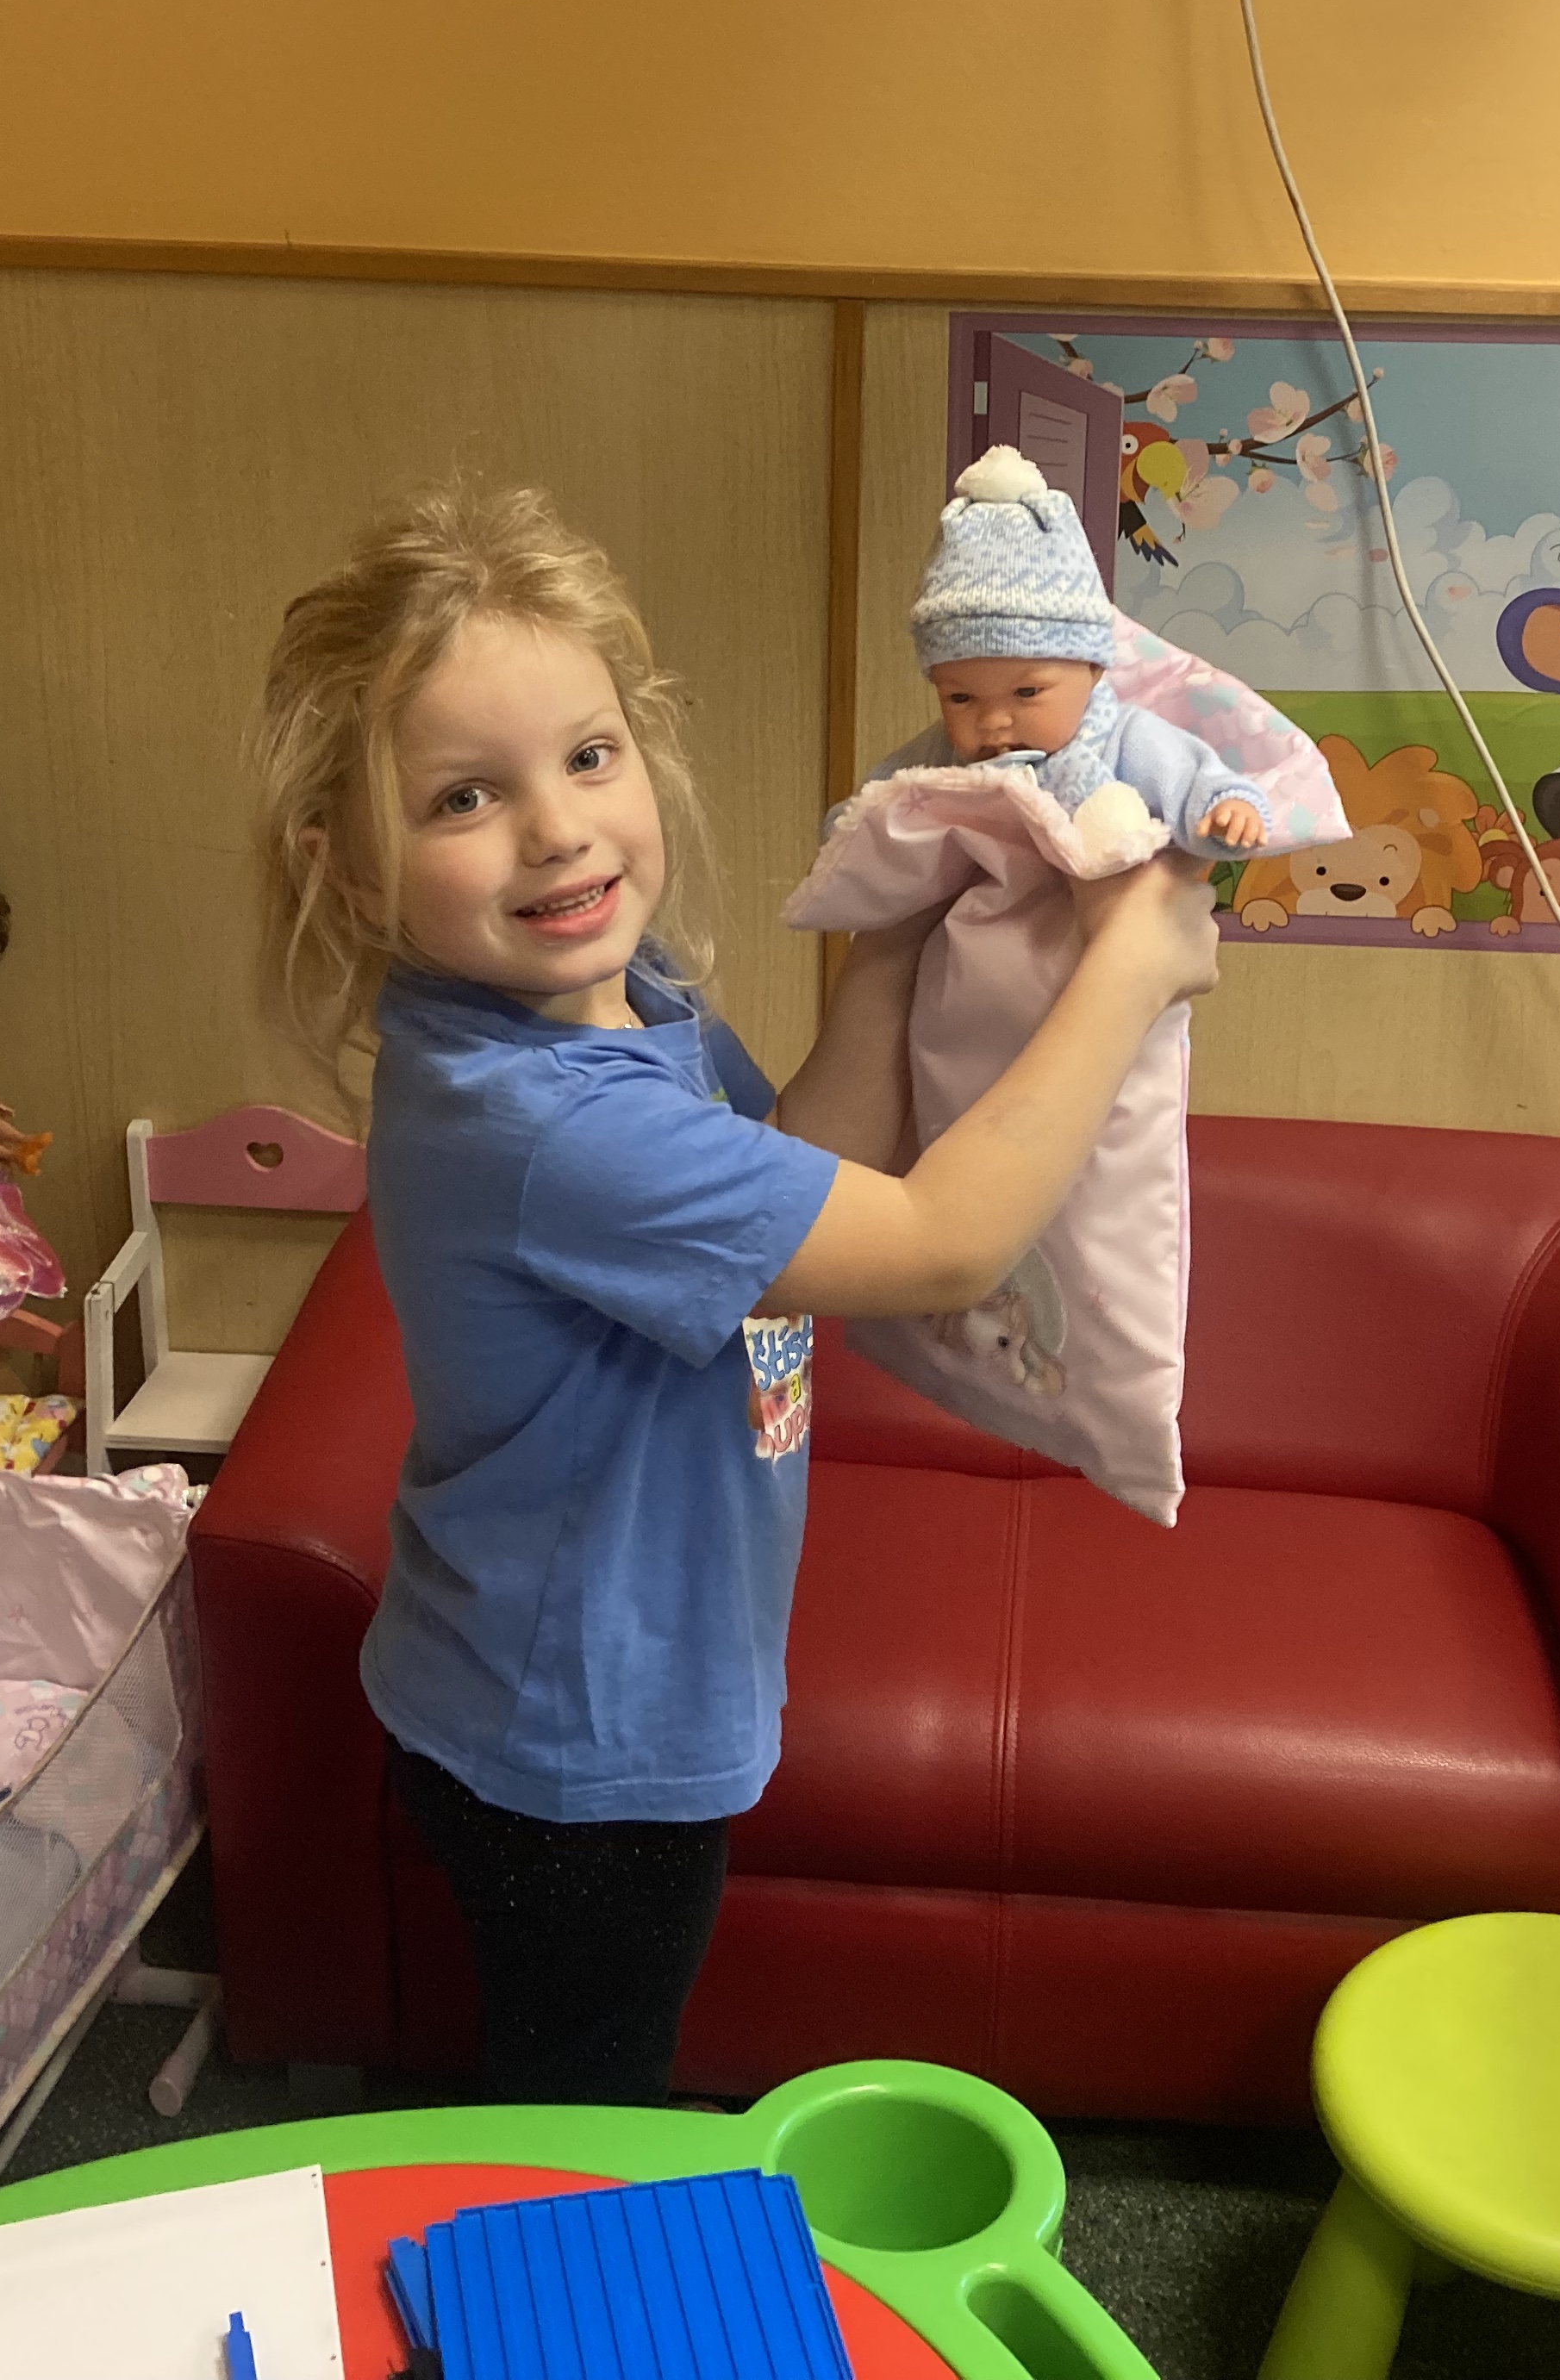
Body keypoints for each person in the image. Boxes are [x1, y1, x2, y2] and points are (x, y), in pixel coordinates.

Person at [250, 481, 1217, 2107]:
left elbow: (791, 1168)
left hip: (569, 1682)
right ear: (345, 868)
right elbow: (941, 1243)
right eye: (464, 796)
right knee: (580, 2104)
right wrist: (1132, 967)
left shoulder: (624, 1004)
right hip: (578, 1740)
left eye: (588, 756)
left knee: (578, 2058)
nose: (556, 829)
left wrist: (896, 941)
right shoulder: (549, 1120)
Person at [868, 446, 1268, 854]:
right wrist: (849, 837)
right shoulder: (942, 752)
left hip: (1095, 886)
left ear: (1093, 669)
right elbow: (874, 803)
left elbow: (1188, 778)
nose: (993, 721)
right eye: (960, 698)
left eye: (1026, 692)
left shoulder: (1122, 738)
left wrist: (1226, 807)